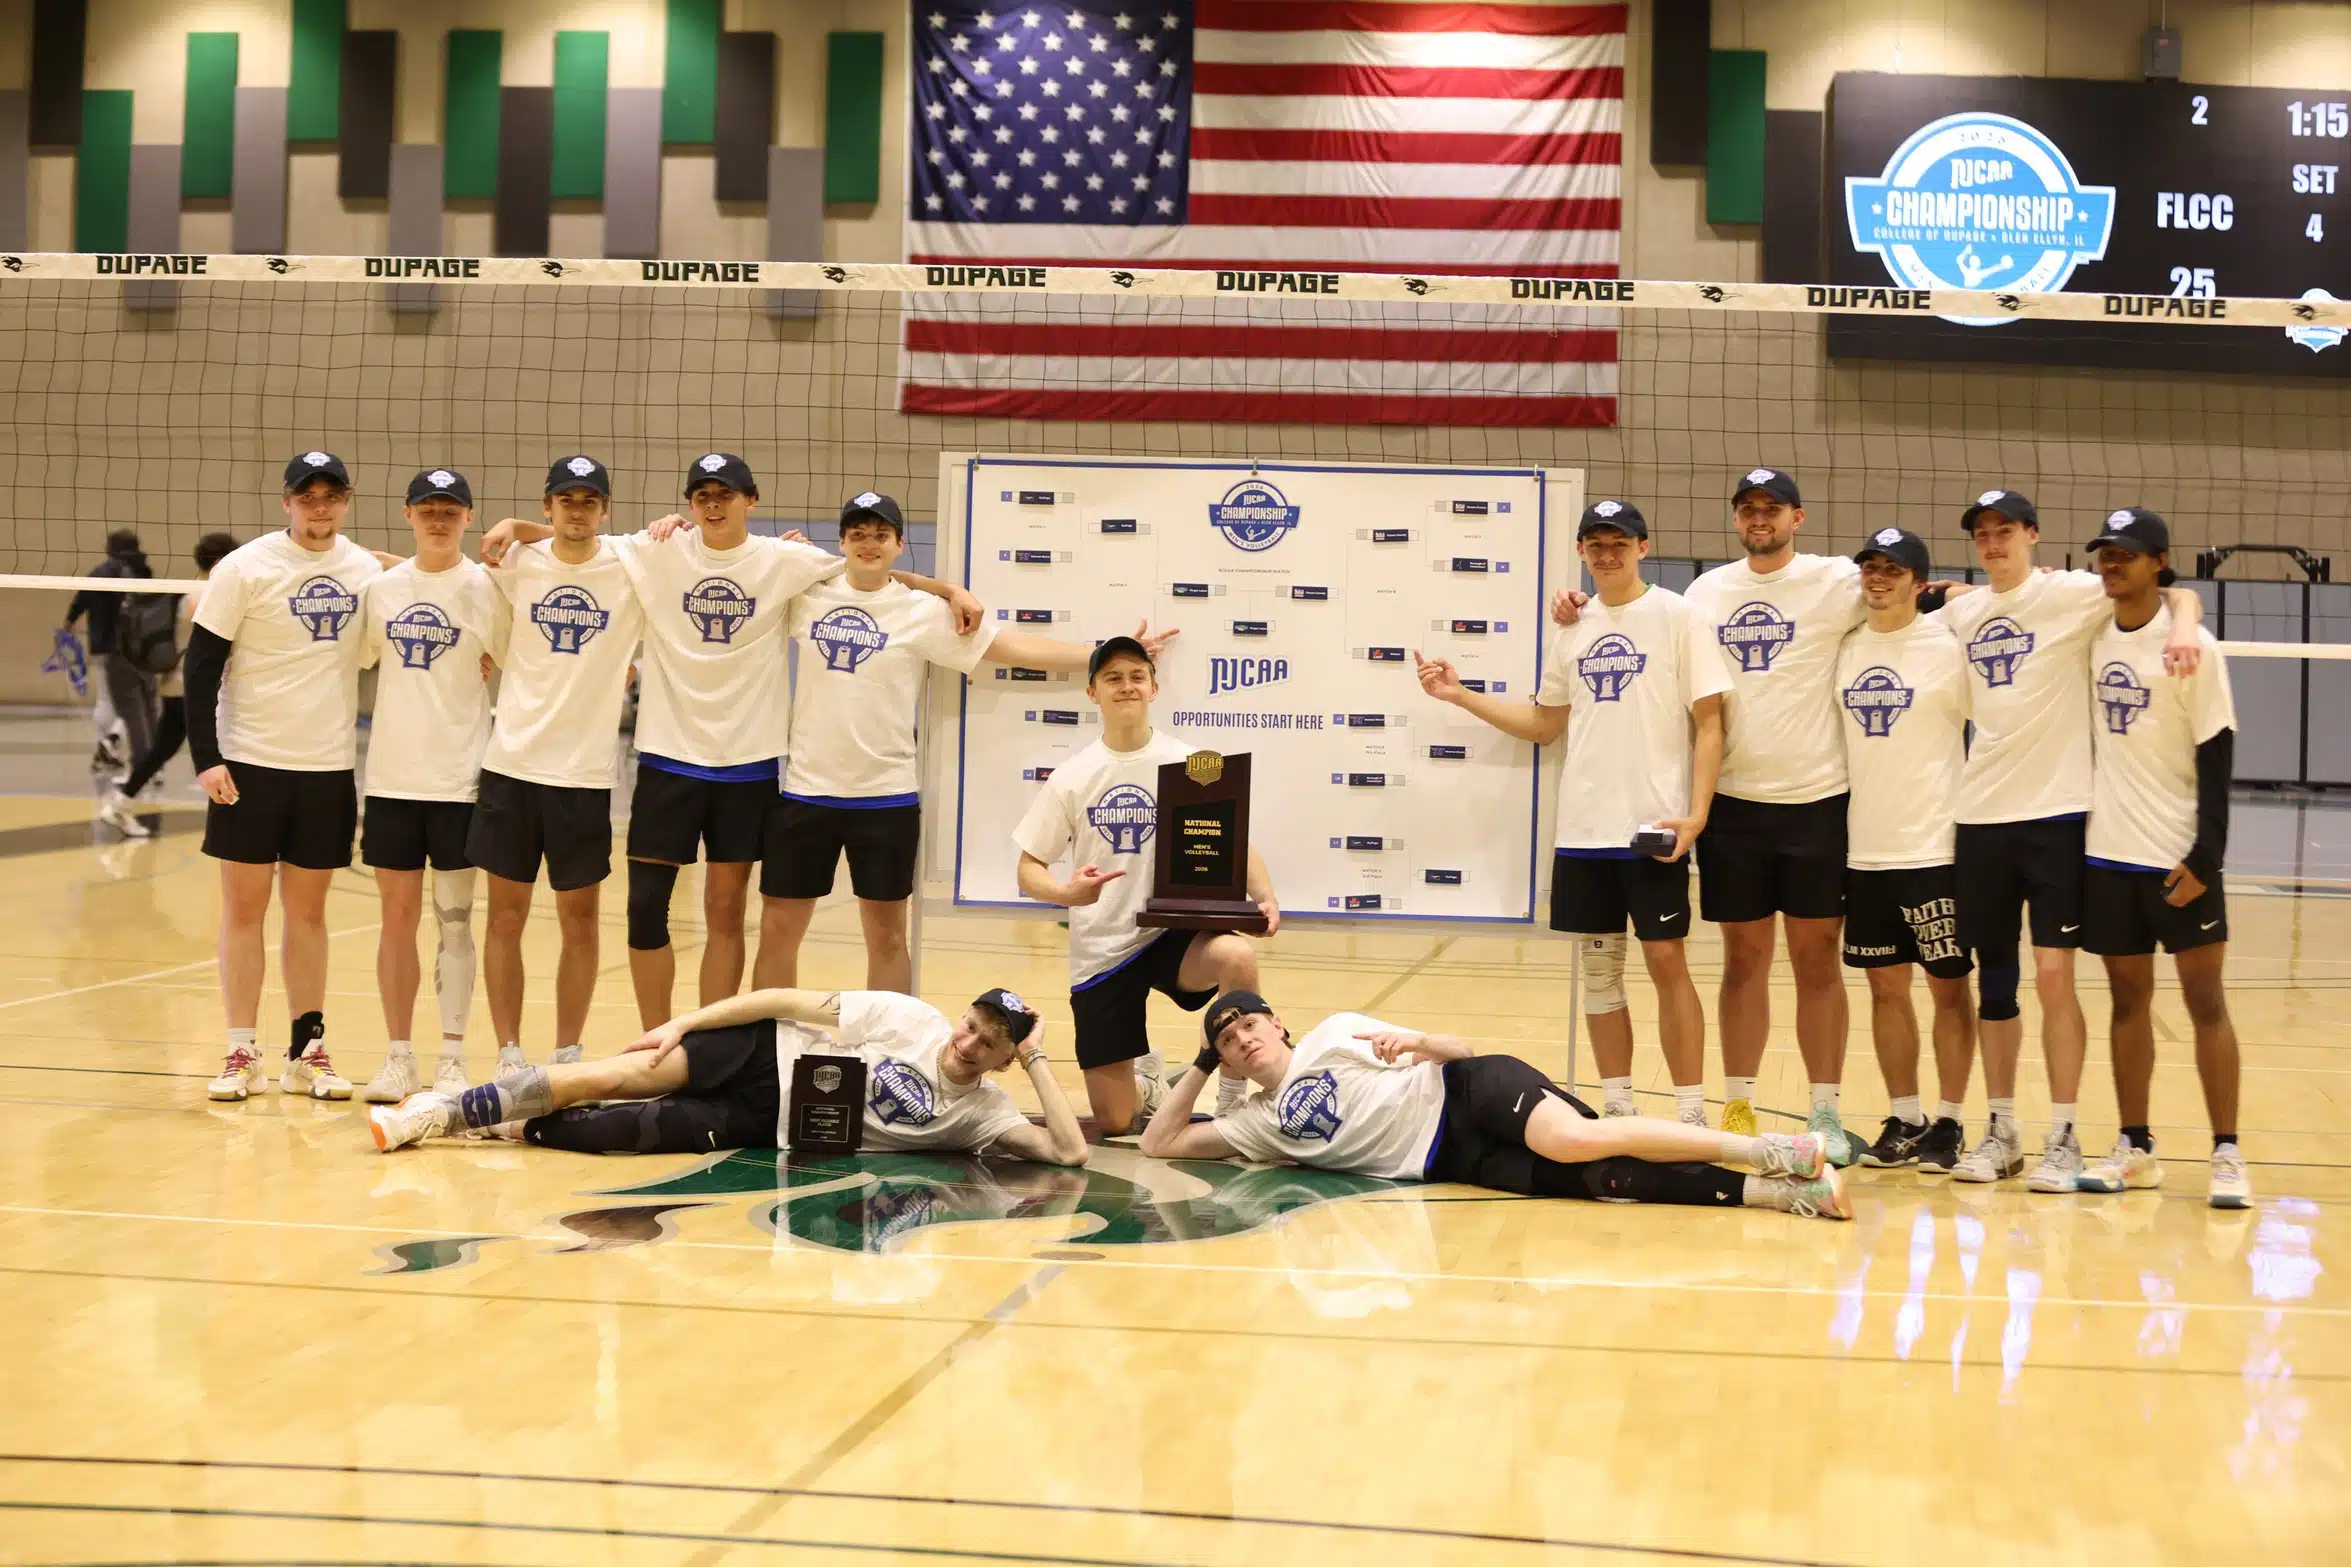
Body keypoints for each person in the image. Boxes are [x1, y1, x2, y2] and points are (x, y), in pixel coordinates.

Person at [483, 459, 979, 1030]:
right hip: (668, 761)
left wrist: (948, 588)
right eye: (702, 495)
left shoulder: (784, 559)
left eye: (726, 494)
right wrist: (520, 528)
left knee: (725, 915)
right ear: (690, 504)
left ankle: (711, 1048)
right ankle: (656, 1044)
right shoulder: (660, 548)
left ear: (752, 499)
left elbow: (870, 573)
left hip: (746, 768)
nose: (714, 504)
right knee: (645, 911)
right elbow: (579, 537)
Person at [760, 490, 1176, 994]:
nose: (869, 545)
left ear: (898, 544)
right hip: (805, 792)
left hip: (884, 798)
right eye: (858, 535)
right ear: (843, 542)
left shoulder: (922, 612)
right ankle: (771, 1044)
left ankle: (891, 1044)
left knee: (887, 937)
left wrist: (1104, 653)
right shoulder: (808, 592)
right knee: (779, 932)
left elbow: (1011, 646)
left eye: (881, 536)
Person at [1419, 499, 1727, 1125]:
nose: (1607, 554)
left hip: (1653, 828)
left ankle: (1691, 1113)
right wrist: (1459, 694)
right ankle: (1617, 1109)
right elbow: (1543, 725)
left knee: (1668, 963)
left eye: (1620, 542)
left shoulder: (1680, 617)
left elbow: (1711, 723)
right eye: (1596, 544)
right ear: (1583, 553)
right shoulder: (1571, 628)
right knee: (1599, 972)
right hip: (1584, 832)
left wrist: (1696, 816)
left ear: (1643, 548)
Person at [1936, 490, 2209, 1190]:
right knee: (1993, 982)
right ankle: (2000, 1131)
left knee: (2054, 975)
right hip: (1980, 815)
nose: (1993, 544)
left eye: (2005, 532)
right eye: (1982, 536)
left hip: (2056, 816)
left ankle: (2063, 1132)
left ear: (2031, 534)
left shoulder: (2070, 594)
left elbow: (2168, 592)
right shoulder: (1963, 611)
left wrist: (2185, 622)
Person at [1138, 990, 1852, 1220]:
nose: (1241, 1039)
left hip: (1465, 1091)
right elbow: (1158, 1144)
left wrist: (1413, 1038)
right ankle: (1782, 1194)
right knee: (1607, 1180)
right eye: (1228, 1041)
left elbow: (1459, 1046)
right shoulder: (1256, 1126)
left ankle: (1768, 1150)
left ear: (1278, 1024)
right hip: (1455, 1159)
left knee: (1578, 1140)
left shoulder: (1331, 1034)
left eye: (1248, 1025)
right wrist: (1200, 1059)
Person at [1672, 468, 1866, 1158]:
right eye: (1748, 509)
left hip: (1817, 801)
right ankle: (1740, 1105)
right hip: (1733, 806)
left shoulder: (1835, 580)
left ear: (1797, 517)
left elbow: (1912, 588)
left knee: (1817, 960)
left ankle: (1824, 1112)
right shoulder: (1705, 592)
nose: (1760, 518)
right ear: (1736, 520)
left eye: (1772, 509)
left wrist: (1966, 589)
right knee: (1743, 959)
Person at [368, 985, 1088, 1169]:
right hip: (757, 1053)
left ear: (1002, 1059)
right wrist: (687, 1023)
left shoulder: (983, 1111)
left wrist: (1038, 1061)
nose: (965, 1042)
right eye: (970, 1025)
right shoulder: (909, 1017)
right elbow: (782, 998)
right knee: (617, 1077)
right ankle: (438, 1114)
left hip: (761, 1126)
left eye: (986, 1042)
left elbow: (1068, 1151)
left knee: (603, 1135)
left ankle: (498, 1117)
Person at [1014, 636, 1276, 1134]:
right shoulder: (1071, 777)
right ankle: (1149, 1082)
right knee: (1116, 1120)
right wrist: (1066, 893)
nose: (1126, 686)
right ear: (1092, 692)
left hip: (1172, 932)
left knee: (1237, 957)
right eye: (1113, 678)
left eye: (1137, 676)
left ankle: (1234, 1093)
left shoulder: (1194, 760)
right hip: (1103, 947)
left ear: (1154, 688)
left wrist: (1264, 897)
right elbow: (1029, 869)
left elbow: (1233, 837)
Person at [191, 452, 382, 1100]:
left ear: (346, 502)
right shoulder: (244, 568)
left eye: (331, 496)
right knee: (243, 910)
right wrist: (206, 756)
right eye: (308, 496)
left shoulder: (364, 570)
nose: (319, 506)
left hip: (326, 768)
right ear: (287, 503)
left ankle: (307, 1050)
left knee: (309, 914)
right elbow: (200, 666)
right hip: (249, 762)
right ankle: (241, 1049)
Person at [2073, 510, 2248, 1208]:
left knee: (2205, 1002)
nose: (2111, 564)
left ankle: (2227, 1152)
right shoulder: (2089, 631)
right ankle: (2134, 1145)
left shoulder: (2194, 647)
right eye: (2105, 554)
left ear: (2158, 562)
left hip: (2178, 855)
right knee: (2125, 1002)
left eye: (2126, 554)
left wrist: (2206, 856)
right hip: (2107, 855)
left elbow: (2217, 753)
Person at [468, 456, 647, 1075]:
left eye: (588, 500)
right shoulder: (516, 564)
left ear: (605, 510)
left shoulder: (628, 565)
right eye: (565, 500)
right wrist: (518, 531)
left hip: (582, 776)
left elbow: (693, 543)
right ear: (549, 507)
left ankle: (568, 1051)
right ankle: (509, 1052)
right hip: (511, 766)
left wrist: (518, 522)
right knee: (505, 917)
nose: (577, 509)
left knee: (580, 920)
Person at [355, 470, 509, 1103]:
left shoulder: (489, 589)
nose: (438, 519)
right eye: (428, 509)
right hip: (392, 779)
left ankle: (450, 1056)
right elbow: (358, 656)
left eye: (450, 510)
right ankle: (397, 1057)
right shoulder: (382, 590)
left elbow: (516, 656)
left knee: (453, 922)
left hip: (460, 780)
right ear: (407, 515)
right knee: (395, 920)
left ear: (469, 518)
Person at [1832, 528, 1977, 1172]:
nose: (1878, 578)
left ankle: (1949, 1120)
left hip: (1937, 847)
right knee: (1885, 991)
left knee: (1949, 989)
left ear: (1921, 582)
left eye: (1893, 569)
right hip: (1866, 851)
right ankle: (1908, 1116)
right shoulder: (1845, 647)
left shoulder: (1951, 646)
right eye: (1870, 568)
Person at [103, 531, 238, 836]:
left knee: (163, 749)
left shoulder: (186, 590)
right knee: (222, 753)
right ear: (220, 562)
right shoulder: (208, 596)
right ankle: (235, 824)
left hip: (178, 685)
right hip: (193, 688)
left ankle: (119, 803)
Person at [63, 528, 158, 782]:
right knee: (144, 705)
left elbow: (79, 602)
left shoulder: (100, 572)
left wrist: (68, 626)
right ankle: (115, 750)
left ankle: (108, 746)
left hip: (107, 648)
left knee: (110, 701)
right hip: (141, 648)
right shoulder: (144, 572)